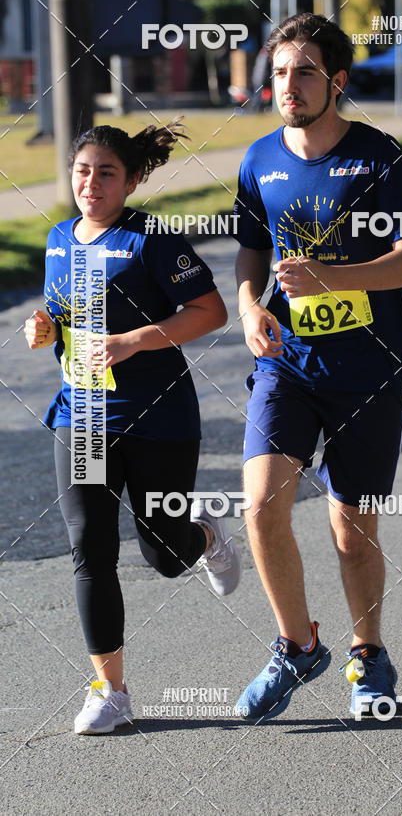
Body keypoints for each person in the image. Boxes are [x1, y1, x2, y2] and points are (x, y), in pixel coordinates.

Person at [232, 13, 402, 721]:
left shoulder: (379, 159)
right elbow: (251, 252)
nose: (288, 84)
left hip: (366, 368)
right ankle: (296, 645)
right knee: (260, 507)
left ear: (337, 82)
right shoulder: (259, 160)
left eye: (306, 71)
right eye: (281, 71)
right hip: (287, 365)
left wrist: (334, 276)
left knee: (352, 530)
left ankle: (367, 652)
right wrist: (250, 306)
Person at [25, 120, 240, 734]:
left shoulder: (152, 239)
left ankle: (202, 537)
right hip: (85, 418)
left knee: (163, 555)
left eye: (107, 172)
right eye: (83, 170)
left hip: (157, 418)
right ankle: (110, 690)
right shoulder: (59, 238)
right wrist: (45, 330)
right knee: (90, 545)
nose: (91, 183)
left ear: (133, 180)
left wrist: (133, 341)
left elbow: (210, 310)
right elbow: (61, 313)